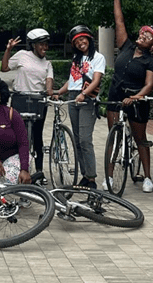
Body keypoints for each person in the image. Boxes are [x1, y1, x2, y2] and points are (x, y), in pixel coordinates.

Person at [105, 0, 153, 193]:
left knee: (140, 139)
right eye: (143, 33)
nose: (143, 36)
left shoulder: (151, 62)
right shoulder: (126, 46)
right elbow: (119, 20)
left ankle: (147, 177)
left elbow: (149, 85)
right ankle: (109, 178)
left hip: (136, 102)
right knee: (114, 137)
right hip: (115, 97)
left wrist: (137, 97)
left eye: (149, 37)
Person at [53, 25, 105, 190]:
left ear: (89, 39)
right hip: (73, 97)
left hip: (87, 99)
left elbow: (96, 80)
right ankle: (84, 176)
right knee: (76, 139)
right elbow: (72, 80)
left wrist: (84, 94)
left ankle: (91, 178)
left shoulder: (98, 57)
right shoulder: (76, 59)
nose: (80, 43)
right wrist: (58, 92)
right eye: (76, 41)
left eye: (83, 39)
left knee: (84, 139)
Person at [1, 28, 54, 177]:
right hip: (20, 98)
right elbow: (4, 68)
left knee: (38, 136)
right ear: (33, 45)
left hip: (38, 100)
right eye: (41, 45)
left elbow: (49, 81)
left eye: (46, 45)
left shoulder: (47, 63)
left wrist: (50, 91)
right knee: (18, 135)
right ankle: (16, 168)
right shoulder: (22, 55)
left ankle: (39, 171)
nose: (44, 48)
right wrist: (8, 49)